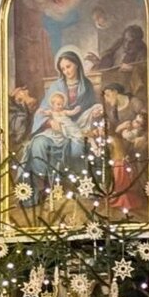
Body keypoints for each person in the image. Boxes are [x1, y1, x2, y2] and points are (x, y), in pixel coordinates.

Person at [19, 51, 102, 206]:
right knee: (38, 144)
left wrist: (94, 113)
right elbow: (42, 110)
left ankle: (78, 186)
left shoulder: (87, 86)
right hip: (54, 128)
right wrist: (50, 123)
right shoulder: (56, 86)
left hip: (78, 128)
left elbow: (91, 108)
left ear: (77, 64)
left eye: (68, 66)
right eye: (63, 69)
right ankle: (41, 189)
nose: (66, 71)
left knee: (77, 148)